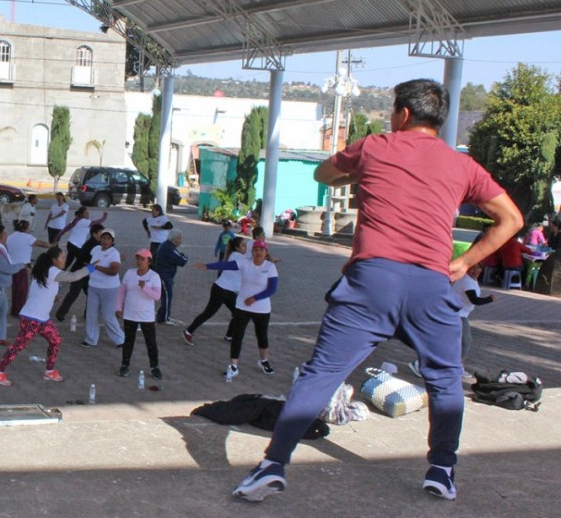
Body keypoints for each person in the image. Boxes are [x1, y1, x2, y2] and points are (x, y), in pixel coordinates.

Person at [232, 79, 522, 504]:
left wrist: (359, 173)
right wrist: (463, 263)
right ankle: (441, 470)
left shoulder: (374, 146)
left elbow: (322, 173)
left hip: (371, 281)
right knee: (445, 380)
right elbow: (511, 219)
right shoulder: (463, 165)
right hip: (430, 285)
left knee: (322, 373)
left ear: (402, 114)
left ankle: (273, 464)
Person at [0, 247, 90, 387]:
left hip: (42, 319)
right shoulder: (52, 271)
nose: (65, 260)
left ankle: (49, 371)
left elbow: (41, 291)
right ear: (54, 260)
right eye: (62, 257)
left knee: (55, 340)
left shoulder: (43, 270)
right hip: (31, 319)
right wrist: (90, 268)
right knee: (19, 345)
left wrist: (51, 298)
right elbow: (74, 276)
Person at [205, 240, 279, 382]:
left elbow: (272, 289)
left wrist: (255, 298)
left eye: (261, 250)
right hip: (242, 307)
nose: (258, 252)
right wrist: (208, 266)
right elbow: (226, 265)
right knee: (237, 336)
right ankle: (234, 366)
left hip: (262, 309)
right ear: (252, 252)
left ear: (266, 253)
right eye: (255, 250)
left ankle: (264, 361)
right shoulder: (245, 263)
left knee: (262, 336)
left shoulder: (270, 267)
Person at [410, 262, 494, 381]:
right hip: (455, 314)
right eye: (472, 268)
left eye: (478, 268)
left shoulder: (472, 280)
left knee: (452, 341)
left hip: (459, 313)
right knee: (464, 341)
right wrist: (490, 299)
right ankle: (424, 364)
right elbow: (474, 300)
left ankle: (449, 366)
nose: (475, 271)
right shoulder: (466, 280)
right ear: (467, 268)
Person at [184, 237, 247, 344]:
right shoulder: (239, 257)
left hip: (229, 292)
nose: (246, 247)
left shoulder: (235, 254)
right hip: (221, 290)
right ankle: (188, 331)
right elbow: (225, 265)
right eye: (243, 245)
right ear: (237, 248)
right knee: (208, 313)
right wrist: (208, 266)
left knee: (238, 313)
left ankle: (229, 335)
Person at [116, 248, 163, 379]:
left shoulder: (154, 276)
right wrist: (118, 307)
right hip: (130, 314)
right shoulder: (129, 273)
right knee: (128, 341)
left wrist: (145, 287)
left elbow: (157, 296)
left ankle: (154, 367)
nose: (139, 261)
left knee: (151, 342)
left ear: (149, 261)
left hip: (146, 316)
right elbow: (122, 291)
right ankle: (124, 365)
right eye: (138, 258)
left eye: (143, 259)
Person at [81, 228, 126, 348]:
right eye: (103, 238)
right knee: (91, 314)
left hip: (110, 289)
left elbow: (114, 271)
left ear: (112, 241)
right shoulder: (95, 249)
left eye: (108, 239)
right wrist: (88, 269)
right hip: (93, 287)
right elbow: (89, 262)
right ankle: (91, 339)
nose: (105, 241)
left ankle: (120, 339)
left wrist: (96, 267)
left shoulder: (114, 253)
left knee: (108, 316)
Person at [54, 222, 105, 322]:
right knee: (75, 293)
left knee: (89, 294)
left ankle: (85, 314)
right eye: (100, 233)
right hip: (80, 272)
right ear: (94, 234)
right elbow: (84, 259)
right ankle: (61, 313)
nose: (103, 235)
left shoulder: (97, 244)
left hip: (87, 273)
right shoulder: (92, 245)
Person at [6, 219, 54, 317]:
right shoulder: (28, 238)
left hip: (11, 266)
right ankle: (19, 311)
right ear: (25, 228)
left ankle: (14, 310)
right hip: (22, 267)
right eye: (28, 227)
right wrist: (53, 245)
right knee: (22, 291)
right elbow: (44, 244)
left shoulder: (10, 237)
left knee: (15, 289)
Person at [153, 228, 188, 324]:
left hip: (164, 274)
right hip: (164, 275)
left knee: (166, 295)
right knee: (167, 296)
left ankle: (162, 315)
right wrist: (185, 256)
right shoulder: (169, 248)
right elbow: (182, 260)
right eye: (179, 238)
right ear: (174, 239)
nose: (181, 240)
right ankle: (164, 318)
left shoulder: (166, 245)